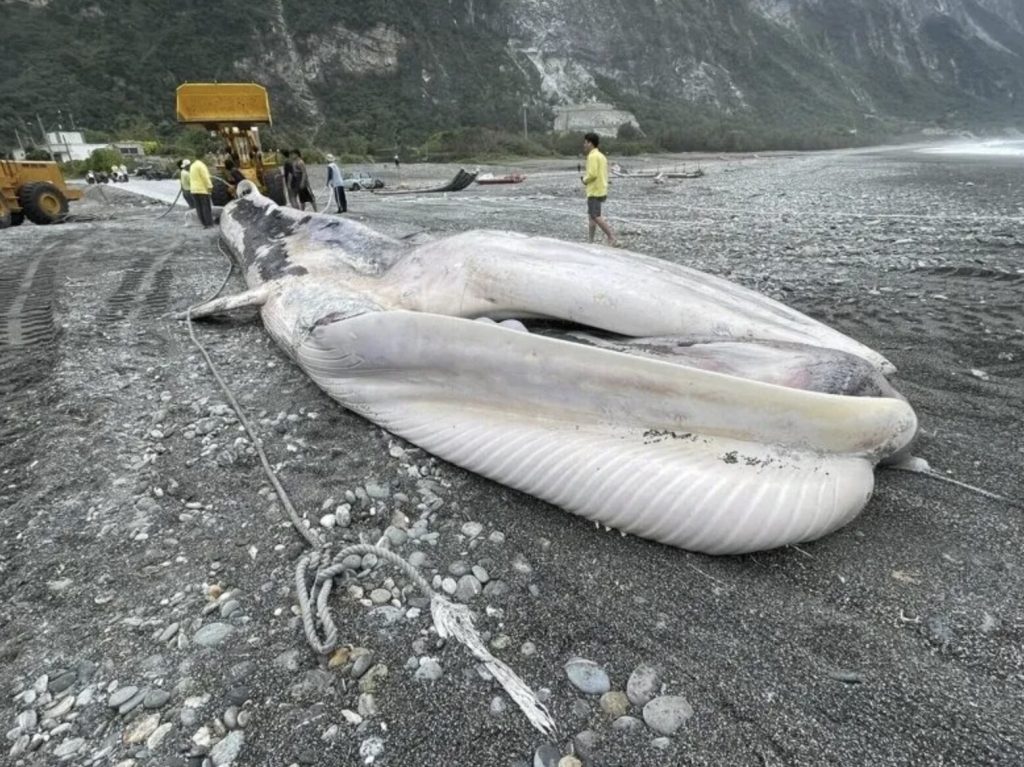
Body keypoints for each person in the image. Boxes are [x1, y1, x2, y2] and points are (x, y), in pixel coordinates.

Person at [581, 132, 617, 246]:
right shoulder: (601, 156)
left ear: (590, 143)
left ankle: (611, 237)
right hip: (601, 189)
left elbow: (592, 174)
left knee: (595, 216)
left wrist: (584, 180)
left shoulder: (592, 156)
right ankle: (590, 241)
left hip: (594, 190)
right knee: (591, 216)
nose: (584, 144)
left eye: (585, 142)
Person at [189, 156, 215, 228]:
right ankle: (209, 224)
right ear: (202, 158)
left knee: (199, 207)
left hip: (193, 190)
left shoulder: (192, 166)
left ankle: (203, 223)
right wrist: (210, 187)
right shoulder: (201, 165)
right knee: (205, 207)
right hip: (202, 190)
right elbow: (205, 177)